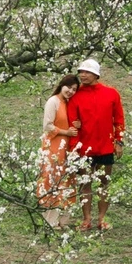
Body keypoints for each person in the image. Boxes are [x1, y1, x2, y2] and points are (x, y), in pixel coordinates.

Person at [66, 58, 124, 232]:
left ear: (96, 74)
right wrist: (74, 149)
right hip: (84, 148)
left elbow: (119, 119)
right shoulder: (75, 96)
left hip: (106, 146)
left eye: (87, 72)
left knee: (104, 182)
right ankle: (86, 219)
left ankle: (102, 218)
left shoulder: (111, 93)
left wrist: (119, 141)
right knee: (85, 183)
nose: (83, 75)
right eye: (81, 72)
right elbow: (72, 122)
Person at [37, 74, 80, 229]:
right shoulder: (53, 101)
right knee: (53, 179)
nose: (70, 91)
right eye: (69, 87)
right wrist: (65, 132)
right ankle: (50, 219)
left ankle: (63, 220)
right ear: (62, 85)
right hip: (54, 145)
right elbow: (47, 125)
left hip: (67, 147)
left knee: (66, 180)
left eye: (74, 89)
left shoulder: (68, 103)